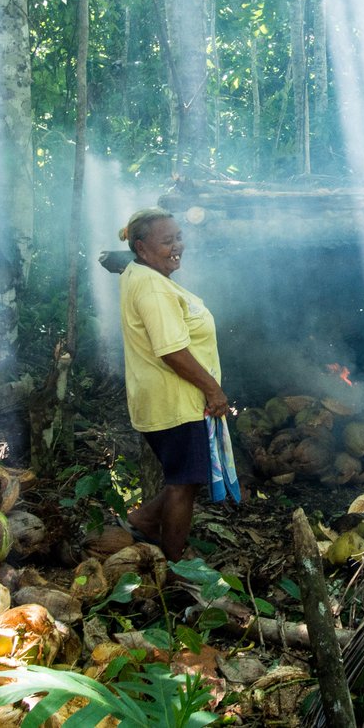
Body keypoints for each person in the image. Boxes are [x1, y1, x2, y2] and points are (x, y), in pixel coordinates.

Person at [118, 207, 229, 560]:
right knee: (183, 485)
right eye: (167, 241)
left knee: (188, 476)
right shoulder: (153, 287)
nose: (177, 246)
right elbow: (172, 350)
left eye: (178, 237)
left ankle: (145, 521)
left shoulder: (141, 272)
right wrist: (213, 389)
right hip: (176, 402)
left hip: (164, 399)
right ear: (141, 247)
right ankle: (175, 565)